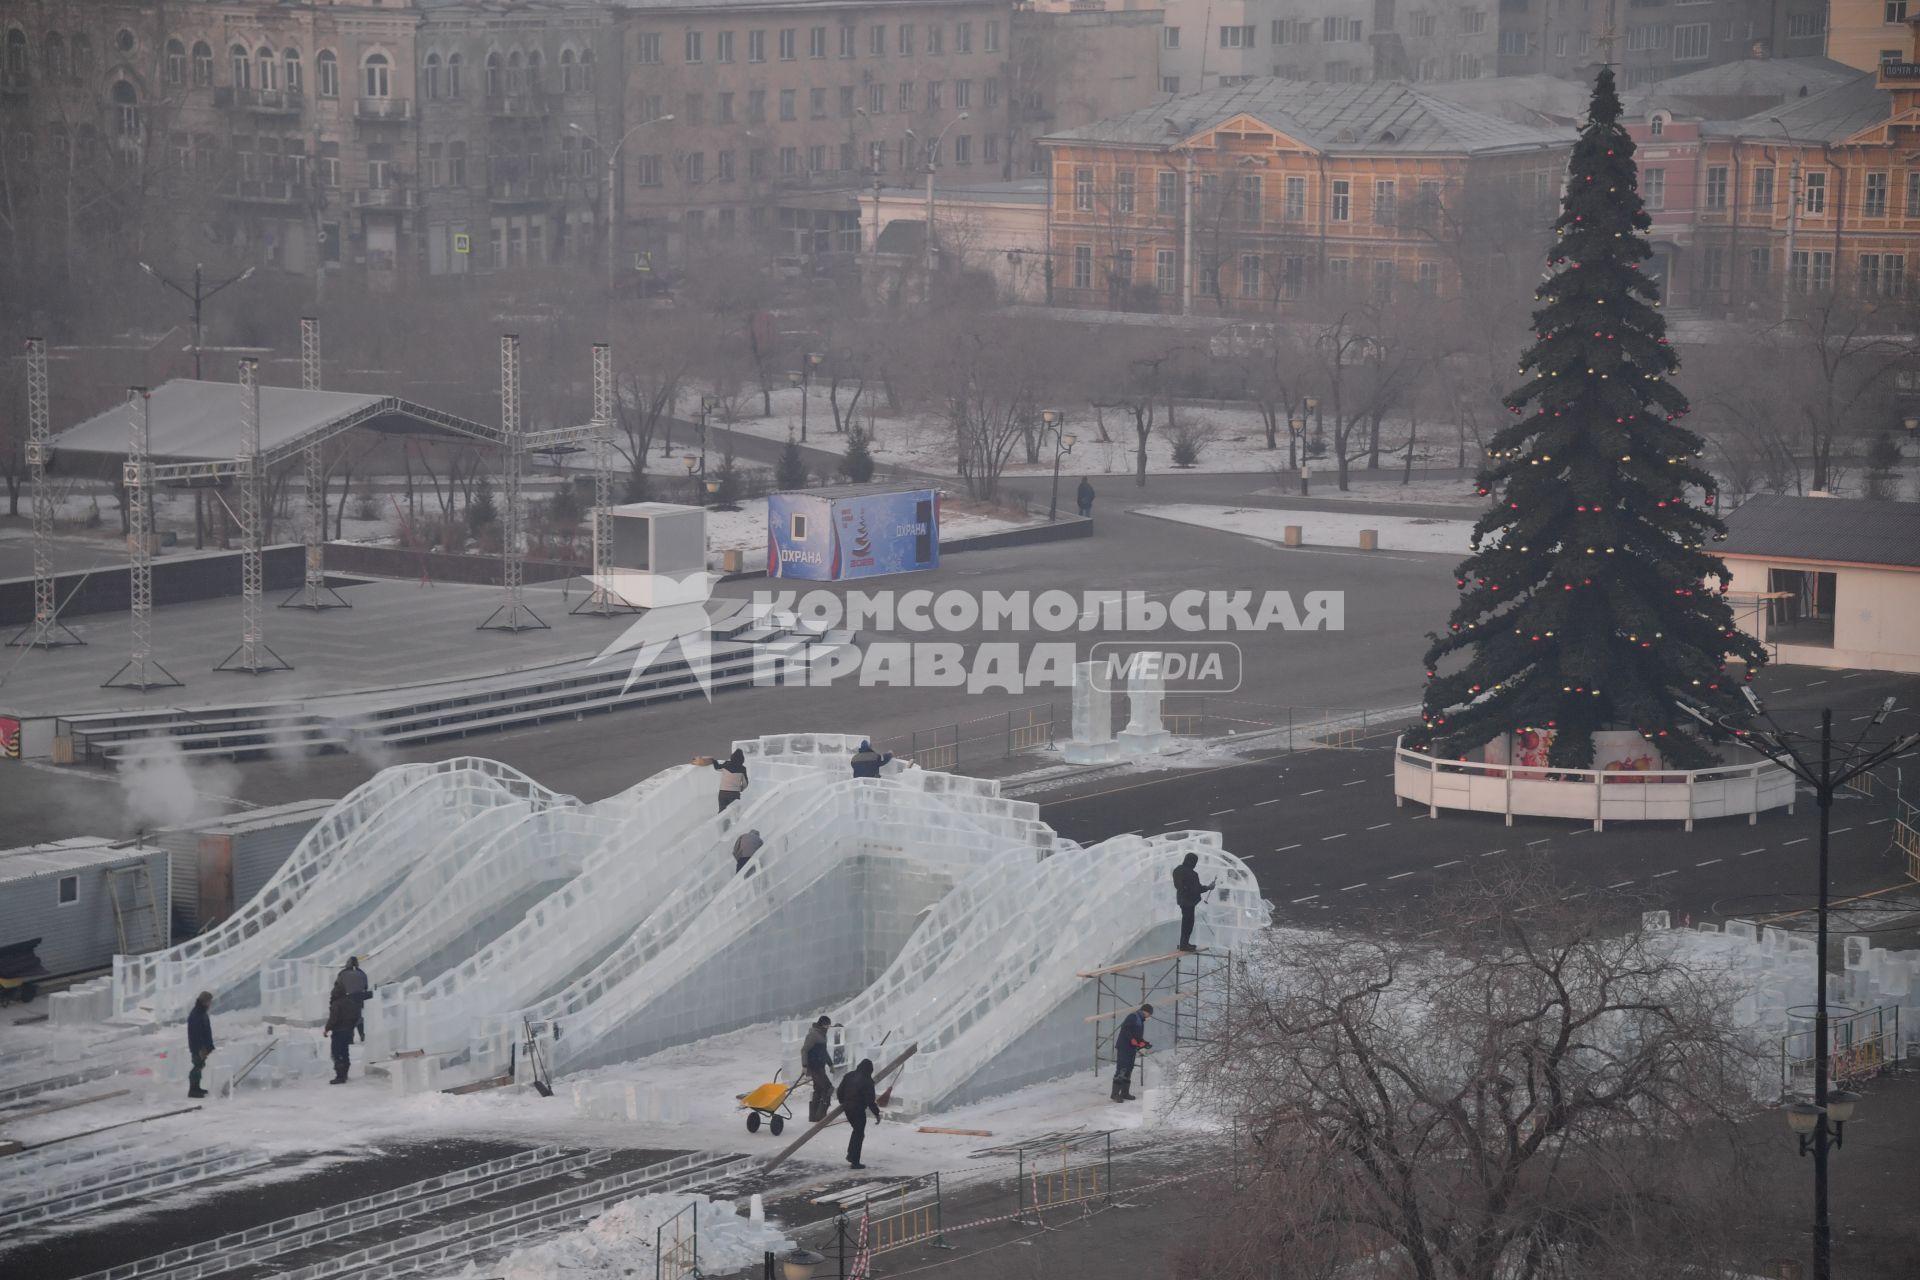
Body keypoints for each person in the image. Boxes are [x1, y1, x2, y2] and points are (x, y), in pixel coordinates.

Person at [836, 1058, 882, 1169]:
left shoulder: (849, 1076)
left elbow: (839, 1091)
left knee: (857, 1132)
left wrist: (844, 1102)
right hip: (858, 1110)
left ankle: (851, 1155)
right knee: (859, 1133)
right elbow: (870, 1100)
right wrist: (877, 1113)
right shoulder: (867, 1081)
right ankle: (854, 1160)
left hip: (848, 1109)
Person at [1172, 852, 1217, 952]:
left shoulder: (1177, 870)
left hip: (1182, 900)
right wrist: (1208, 887)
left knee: (1185, 922)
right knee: (1188, 924)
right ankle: (1184, 945)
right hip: (1189, 902)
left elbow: (1179, 886)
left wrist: (1186, 889)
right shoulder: (1192, 874)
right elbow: (1196, 889)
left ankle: (1184, 943)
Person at [1111, 1003, 1153, 1102]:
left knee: (1129, 1069)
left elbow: (1137, 1035)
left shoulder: (1141, 1020)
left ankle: (1125, 1093)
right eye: (1149, 1014)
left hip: (1131, 1048)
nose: (1149, 1016)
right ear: (1145, 1011)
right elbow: (1125, 1029)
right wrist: (1132, 1040)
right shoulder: (1133, 1017)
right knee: (1122, 1069)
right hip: (1124, 1047)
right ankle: (1115, 1094)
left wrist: (1143, 1042)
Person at [801, 1014, 835, 1122]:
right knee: (828, 1088)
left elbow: (823, 1052)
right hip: (814, 1067)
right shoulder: (813, 1035)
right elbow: (804, 1050)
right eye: (827, 1026)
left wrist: (830, 1064)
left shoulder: (823, 1035)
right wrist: (805, 1066)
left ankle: (814, 1116)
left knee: (819, 1089)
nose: (828, 1028)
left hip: (820, 1066)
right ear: (822, 1025)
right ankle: (821, 1116)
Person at [324, 980, 358, 1084]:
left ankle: (340, 1076)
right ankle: (345, 1074)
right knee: (345, 1053)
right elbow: (356, 1017)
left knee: (336, 1054)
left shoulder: (336, 1004)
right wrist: (351, 1027)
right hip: (348, 1031)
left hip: (338, 1032)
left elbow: (333, 1019)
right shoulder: (350, 1002)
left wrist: (327, 1029)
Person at [187, 991, 215, 1099]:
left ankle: (197, 1087)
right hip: (198, 1047)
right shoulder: (196, 1014)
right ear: (204, 1001)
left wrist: (209, 1045)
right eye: (209, 1001)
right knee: (197, 1066)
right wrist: (200, 1048)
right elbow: (196, 1033)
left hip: (203, 1046)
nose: (210, 1004)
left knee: (200, 1065)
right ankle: (193, 1090)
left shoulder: (201, 1012)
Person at [337, 956, 371, 1042]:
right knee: (358, 1016)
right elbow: (366, 987)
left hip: (349, 997)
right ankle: (362, 1034)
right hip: (360, 997)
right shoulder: (362, 973)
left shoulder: (342, 973)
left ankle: (350, 1038)